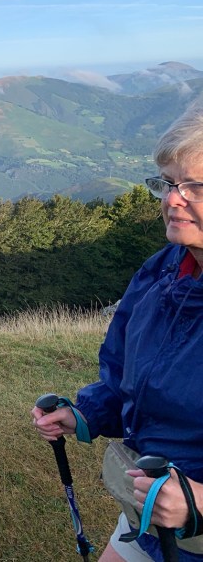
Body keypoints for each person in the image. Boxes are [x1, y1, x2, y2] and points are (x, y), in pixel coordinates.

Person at [32, 104, 203, 562]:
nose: (172, 200)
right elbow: (126, 377)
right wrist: (84, 413)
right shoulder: (160, 273)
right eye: (167, 183)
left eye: (195, 187)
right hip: (149, 520)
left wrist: (200, 502)